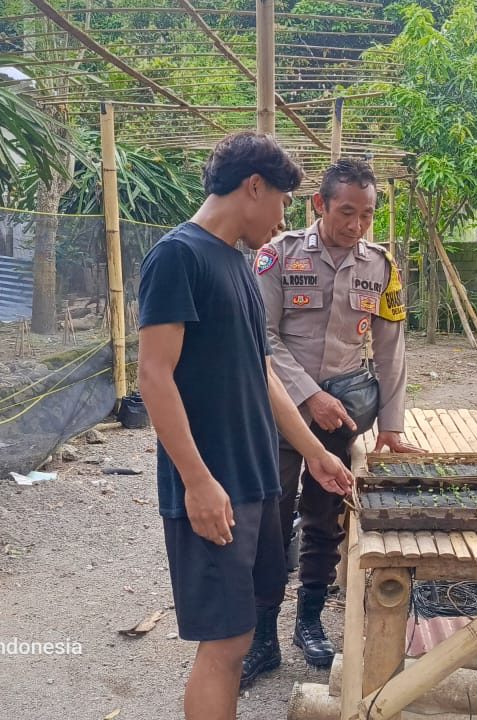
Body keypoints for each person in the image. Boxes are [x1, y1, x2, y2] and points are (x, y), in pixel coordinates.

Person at [137, 132, 355, 720]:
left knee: (243, 630)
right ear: (253, 186)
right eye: (284, 200)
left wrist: (313, 452)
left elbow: (263, 374)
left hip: (256, 480)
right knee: (226, 642)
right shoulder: (178, 256)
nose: (285, 217)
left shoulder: (237, 262)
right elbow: (154, 378)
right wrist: (197, 482)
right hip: (216, 484)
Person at [241, 158, 424, 685]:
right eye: (346, 212)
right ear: (319, 205)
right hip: (278, 413)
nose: (356, 225)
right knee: (270, 521)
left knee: (325, 521)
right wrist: (309, 394)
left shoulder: (382, 266)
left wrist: (391, 425)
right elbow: (264, 340)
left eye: (366, 215)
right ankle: (262, 636)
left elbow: (391, 349)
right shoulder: (277, 256)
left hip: (340, 418)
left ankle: (309, 623)